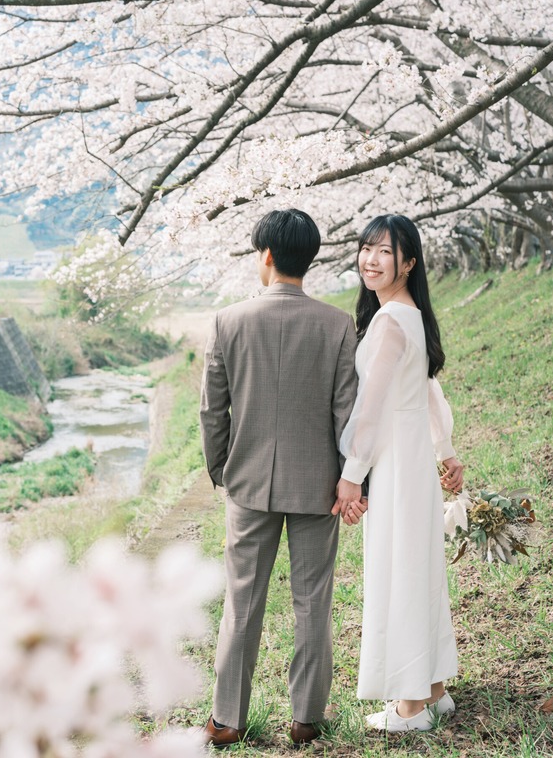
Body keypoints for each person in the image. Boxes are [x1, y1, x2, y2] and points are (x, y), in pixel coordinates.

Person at [199, 208, 366, 749]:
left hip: (247, 483)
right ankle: (306, 718)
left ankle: (227, 719)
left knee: (242, 600)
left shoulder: (227, 321)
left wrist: (221, 468)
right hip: (320, 485)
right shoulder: (339, 325)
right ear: (309, 259)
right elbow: (349, 413)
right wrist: (350, 478)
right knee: (312, 600)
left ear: (266, 256)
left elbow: (211, 412)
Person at [332, 213, 465, 732]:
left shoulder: (390, 321)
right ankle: (433, 690)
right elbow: (429, 389)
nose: (371, 259)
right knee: (418, 567)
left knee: (402, 570)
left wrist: (352, 472)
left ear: (408, 262)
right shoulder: (407, 314)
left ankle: (410, 707)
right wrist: (445, 450)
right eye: (367, 248)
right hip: (410, 455)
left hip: (393, 460)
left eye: (385, 251)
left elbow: (372, 406)